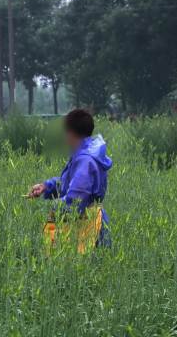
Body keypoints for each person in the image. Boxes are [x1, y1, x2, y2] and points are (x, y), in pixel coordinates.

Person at [27, 109, 112, 254]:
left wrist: (44, 209)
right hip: (86, 222)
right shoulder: (86, 153)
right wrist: (46, 186)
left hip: (88, 227)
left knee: (83, 271)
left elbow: (75, 201)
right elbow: (69, 182)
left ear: (71, 134)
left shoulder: (86, 160)